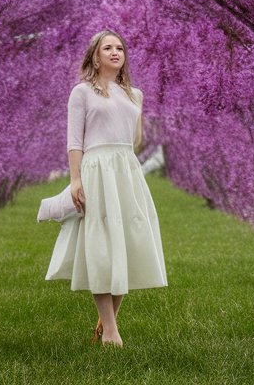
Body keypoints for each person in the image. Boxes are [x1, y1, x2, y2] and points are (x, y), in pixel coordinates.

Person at [41, 30, 167, 348]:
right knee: (101, 244)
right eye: (107, 48)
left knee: (126, 242)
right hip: (96, 169)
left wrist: (127, 155)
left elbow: (134, 139)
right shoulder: (81, 93)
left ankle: (105, 321)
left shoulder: (134, 95)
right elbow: (74, 140)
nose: (115, 52)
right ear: (95, 56)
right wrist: (75, 179)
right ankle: (111, 332)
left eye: (120, 47)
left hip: (126, 168)